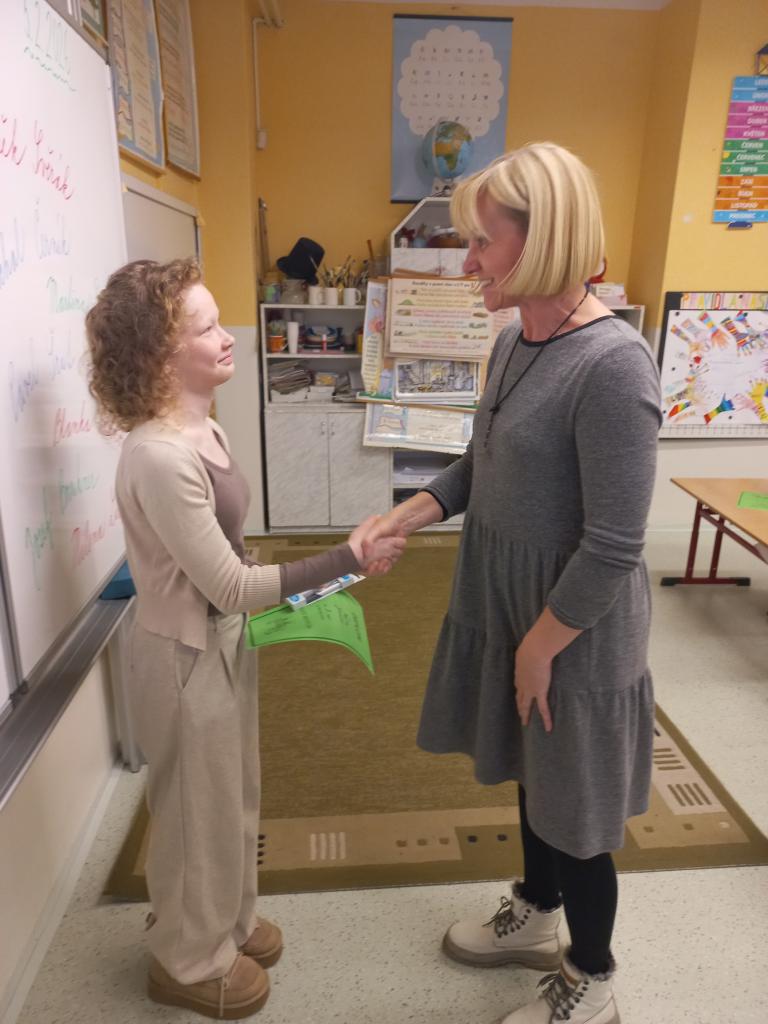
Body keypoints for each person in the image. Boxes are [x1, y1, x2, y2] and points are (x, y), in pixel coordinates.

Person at [367, 142, 661, 1024]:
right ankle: (536, 910)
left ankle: (593, 978)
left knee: (576, 809)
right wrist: (407, 514)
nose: (467, 264)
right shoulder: (512, 343)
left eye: (481, 242)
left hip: (575, 624)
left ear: (543, 240)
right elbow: (480, 464)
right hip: (506, 598)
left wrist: (541, 646)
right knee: (536, 773)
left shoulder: (614, 366)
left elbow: (615, 543)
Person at [85, 258, 404, 1020]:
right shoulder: (159, 455)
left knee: (233, 793)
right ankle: (185, 960)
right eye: (204, 328)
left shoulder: (206, 427)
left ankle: (226, 920)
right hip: (184, 655)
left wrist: (323, 577)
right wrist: (346, 560)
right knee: (193, 811)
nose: (226, 335)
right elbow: (228, 583)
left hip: (226, 638)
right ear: (159, 354)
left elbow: (228, 562)